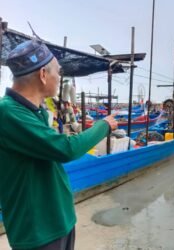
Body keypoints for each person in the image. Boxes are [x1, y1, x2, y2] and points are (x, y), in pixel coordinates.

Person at [0, 40, 118, 250]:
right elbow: (66, 148)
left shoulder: (31, 111)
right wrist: (104, 125)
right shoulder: (8, 112)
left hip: (59, 221)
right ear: (43, 75)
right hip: (38, 231)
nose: (60, 77)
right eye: (59, 71)